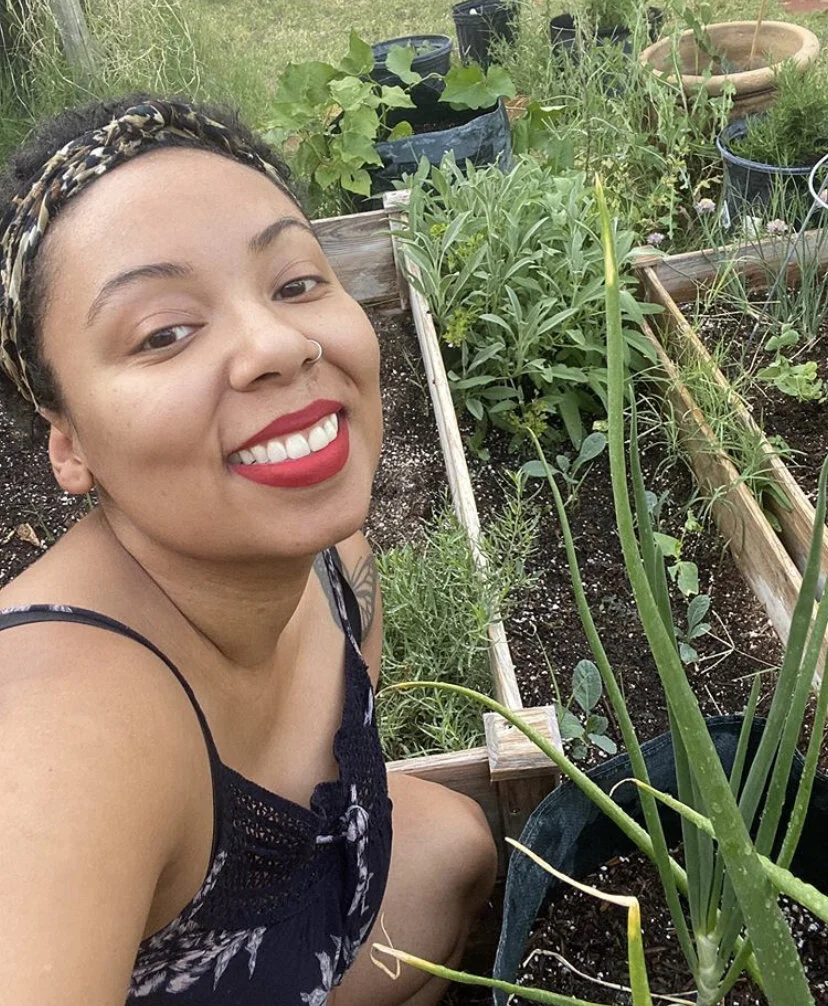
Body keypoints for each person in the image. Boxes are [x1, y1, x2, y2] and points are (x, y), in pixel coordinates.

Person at [0, 96, 497, 1006]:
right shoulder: (53, 744)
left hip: (291, 942)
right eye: (164, 333)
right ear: (67, 442)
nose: (279, 343)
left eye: (296, 283)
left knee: (452, 851)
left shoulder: (338, 566)